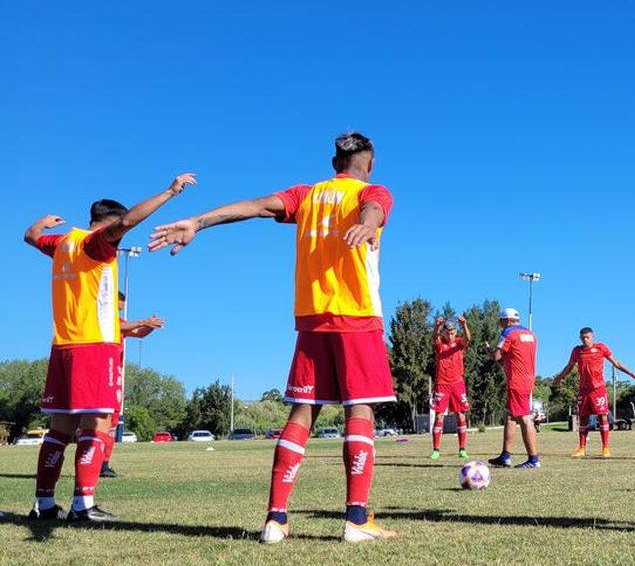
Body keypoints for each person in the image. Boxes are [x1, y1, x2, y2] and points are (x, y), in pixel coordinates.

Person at [149, 132, 396, 543]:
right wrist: (367, 226)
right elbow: (374, 208)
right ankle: (356, 519)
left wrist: (198, 221)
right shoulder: (373, 190)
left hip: (311, 319)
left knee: (301, 414)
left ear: (334, 162)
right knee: (360, 411)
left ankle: (275, 520)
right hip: (356, 316)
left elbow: (256, 206)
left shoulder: (307, 195)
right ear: (368, 164)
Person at [25, 173, 196, 522]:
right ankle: (83, 505)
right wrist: (170, 192)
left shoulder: (63, 244)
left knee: (59, 430)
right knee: (97, 426)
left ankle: (43, 503)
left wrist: (39, 224)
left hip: (63, 346)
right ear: (109, 224)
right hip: (94, 346)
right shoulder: (96, 243)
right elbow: (130, 219)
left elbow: (31, 237)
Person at [100, 291, 167, 478]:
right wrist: (143, 321)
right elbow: (122, 327)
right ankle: (94, 463)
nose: (118, 311)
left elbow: (139, 333)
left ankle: (103, 465)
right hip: (103, 373)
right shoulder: (103, 320)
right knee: (100, 421)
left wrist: (151, 326)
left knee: (113, 421)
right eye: (118, 307)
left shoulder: (119, 322)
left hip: (116, 376)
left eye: (120, 308)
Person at [551, 327, 635, 458]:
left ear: (593, 337)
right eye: (583, 338)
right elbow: (569, 366)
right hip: (584, 390)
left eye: (587, 337)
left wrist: (633, 374)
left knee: (602, 416)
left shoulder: (601, 348)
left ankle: (605, 448)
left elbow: (616, 363)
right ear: (579, 338)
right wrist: (559, 377)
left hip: (598, 389)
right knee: (583, 417)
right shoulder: (577, 351)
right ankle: (581, 448)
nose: (585, 340)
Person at [488, 308, 540, 469]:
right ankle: (505, 456)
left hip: (517, 381)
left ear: (508, 321)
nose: (500, 326)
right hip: (528, 378)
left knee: (524, 418)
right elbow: (515, 357)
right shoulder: (531, 335)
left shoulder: (508, 333)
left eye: (501, 322)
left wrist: (489, 351)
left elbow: (497, 357)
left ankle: (533, 459)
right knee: (509, 416)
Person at [430, 315, 472, 460]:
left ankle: (462, 449)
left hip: (457, 383)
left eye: (453, 332)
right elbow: (433, 337)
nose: (450, 335)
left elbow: (468, 338)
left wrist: (464, 324)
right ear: (443, 333)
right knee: (439, 416)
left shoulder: (460, 343)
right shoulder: (439, 344)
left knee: (460, 415)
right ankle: (436, 450)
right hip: (442, 384)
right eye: (448, 333)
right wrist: (436, 326)